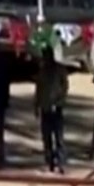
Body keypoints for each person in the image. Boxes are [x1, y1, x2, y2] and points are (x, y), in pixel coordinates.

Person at [34, 45, 69, 174]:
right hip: (45, 107)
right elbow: (38, 90)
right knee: (47, 137)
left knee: (58, 137)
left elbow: (65, 87)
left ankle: (61, 162)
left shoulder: (59, 69)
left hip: (56, 107)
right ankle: (49, 161)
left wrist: (60, 101)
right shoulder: (42, 71)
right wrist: (36, 105)